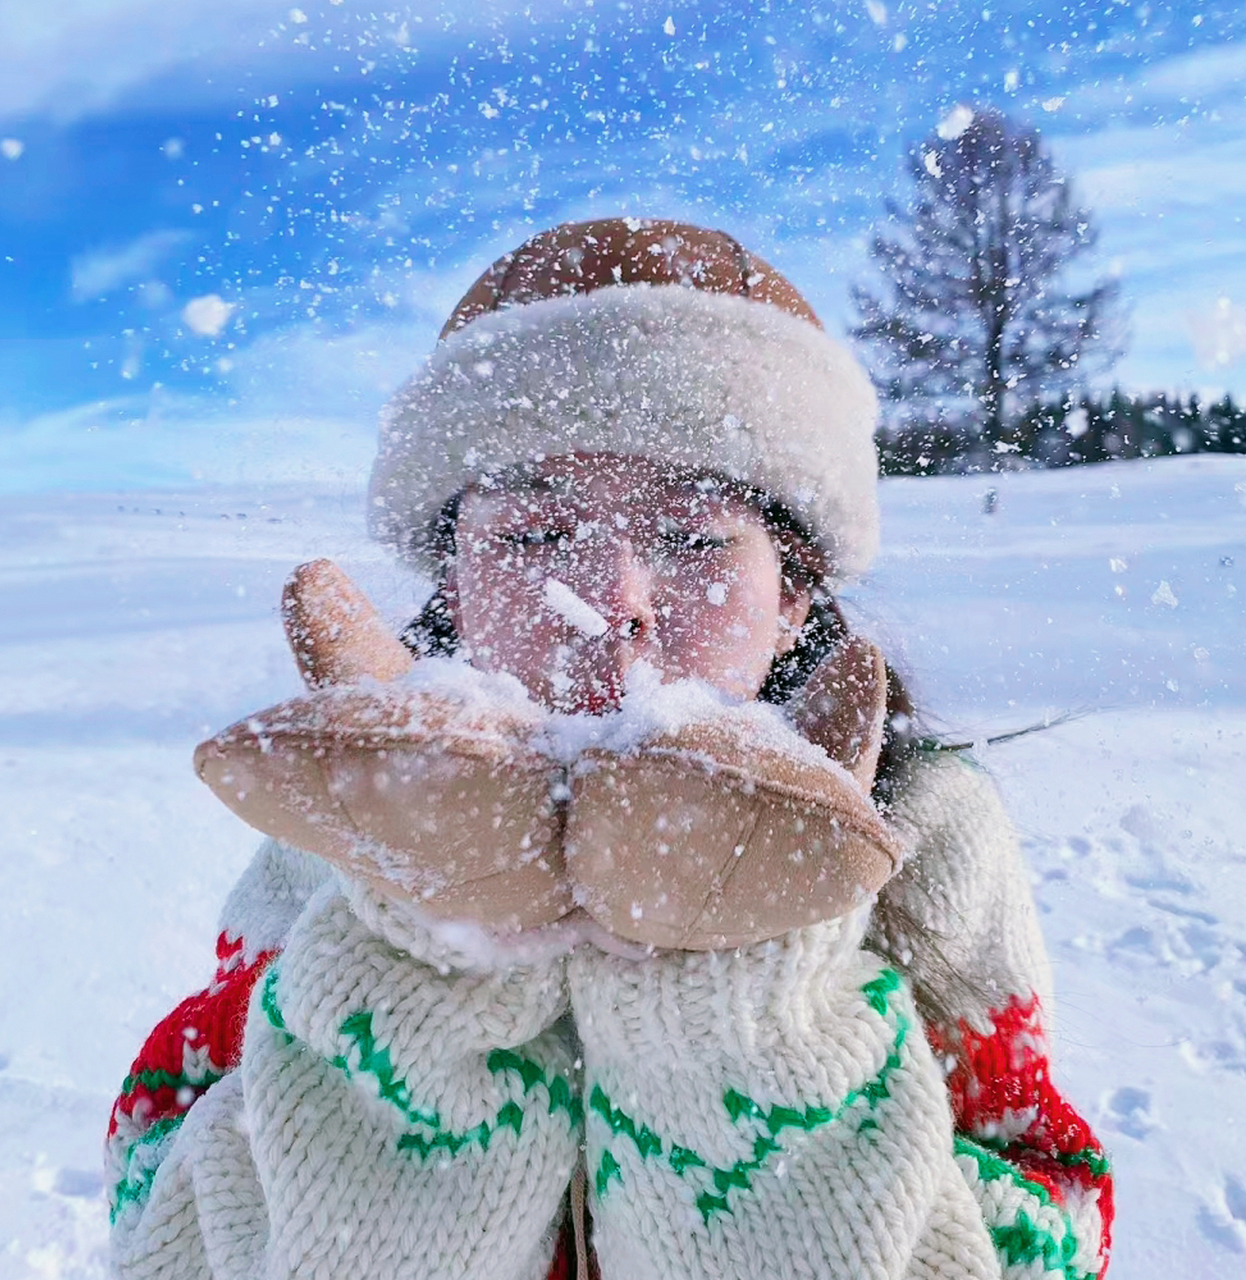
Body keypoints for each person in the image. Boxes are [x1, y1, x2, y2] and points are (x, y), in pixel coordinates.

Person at [104, 218, 1112, 1280]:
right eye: (533, 537)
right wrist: (418, 959)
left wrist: (747, 1014)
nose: (608, 602)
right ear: (451, 584)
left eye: (691, 538)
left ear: (794, 593)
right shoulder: (342, 828)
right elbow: (154, 1200)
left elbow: (1053, 1215)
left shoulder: (916, 829)